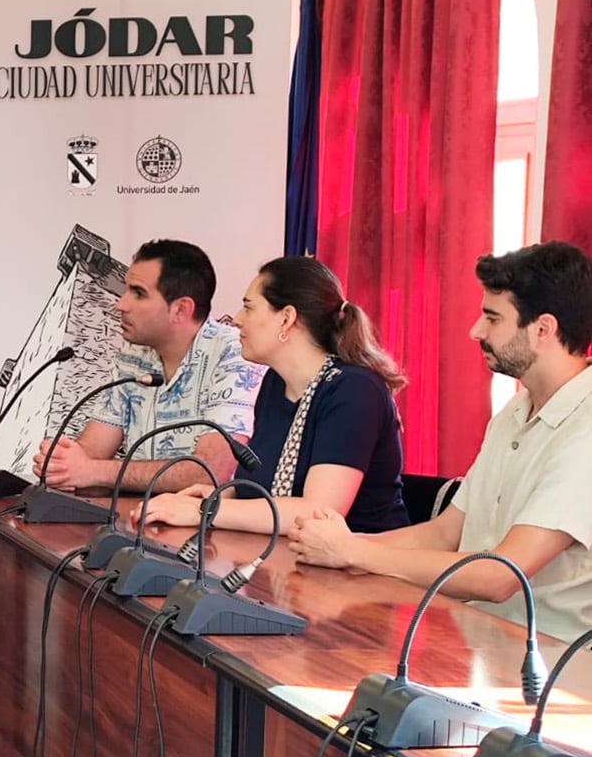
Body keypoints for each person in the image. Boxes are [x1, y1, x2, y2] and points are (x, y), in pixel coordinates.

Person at [291, 241, 592, 641]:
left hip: (549, 667)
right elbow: (443, 534)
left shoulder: (584, 428)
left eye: (492, 318)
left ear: (543, 330)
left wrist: (351, 552)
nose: (475, 331)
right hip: (476, 638)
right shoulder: (515, 412)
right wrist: (337, 549)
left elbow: (503, 575)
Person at [139, 257, 408, 535]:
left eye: (248, 307)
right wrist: (223, 495)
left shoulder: (355, 390)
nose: (238, 320)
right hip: (290, 559)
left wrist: (204, 510)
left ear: (287, 318)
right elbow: (269, 488)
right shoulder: (273, 383)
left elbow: (318, 513)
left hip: (363, 570)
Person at [33, 238, 264, 494]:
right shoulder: (133, 354)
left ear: (180, 309)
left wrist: (92, 471)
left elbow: (209, 473)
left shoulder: (234, 353)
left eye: (138, 293)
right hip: (134, 520)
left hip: (205, 528)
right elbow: (91, 453)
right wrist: (61, 465)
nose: (121, 304)